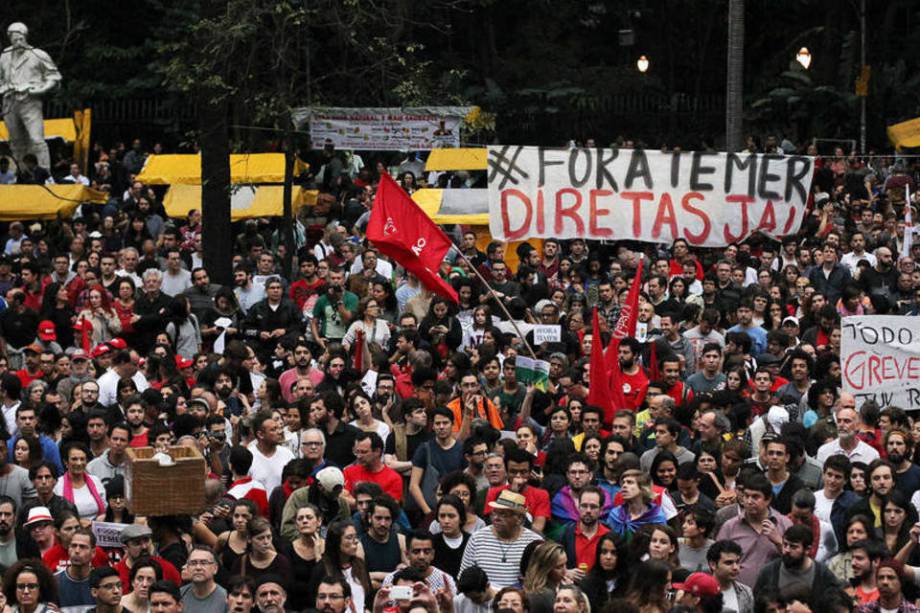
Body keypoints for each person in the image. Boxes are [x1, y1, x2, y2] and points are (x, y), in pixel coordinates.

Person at [715, 472, 791, 587]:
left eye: (755, 497)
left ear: (768, 499)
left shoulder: (784, 524)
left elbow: (797, 562)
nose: (749, 501)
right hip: (737, 595)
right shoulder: (730, 527)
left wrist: (779, 543)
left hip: (773, 595)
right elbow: (716, 561)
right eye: (746, 496)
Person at [459, 490, 541, 589]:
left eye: (503, 514)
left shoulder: (534, 542)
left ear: (519, 519)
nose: (496, 518)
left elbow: (541, 580)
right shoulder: (477, 539)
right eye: (494, 513)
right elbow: (464, 577)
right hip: (483, 600)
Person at [54, 443, 106, 520]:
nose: (79, 463)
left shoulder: (95, 481)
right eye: (74, 459)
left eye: (82, 459)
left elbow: (104, 508)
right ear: (65, 462)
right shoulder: (57, 484)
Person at [54, 528, 97, 611]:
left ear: (93, 553)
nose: (77, 551)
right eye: (73, 546)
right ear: (68, 550)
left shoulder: (101, 582)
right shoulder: (54, 582)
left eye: (83, 547)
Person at [706, 539, 754, 613]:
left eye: (737, 562)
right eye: (729, 563)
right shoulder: (702, 592)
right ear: (713, 565)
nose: (735, 567)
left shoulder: (746, 592)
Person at [855, 559, 920, 613]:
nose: (885, 582)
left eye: (891, 577)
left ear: (901, 582)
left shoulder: (913, 611)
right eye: (881, 578)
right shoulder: (864, 610)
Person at [179, 546, 226, 613]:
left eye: (204, 563)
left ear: (215, 568)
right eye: (193, 563)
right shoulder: (180, 594)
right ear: (188, 567)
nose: (198, 567)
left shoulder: (225, 599)